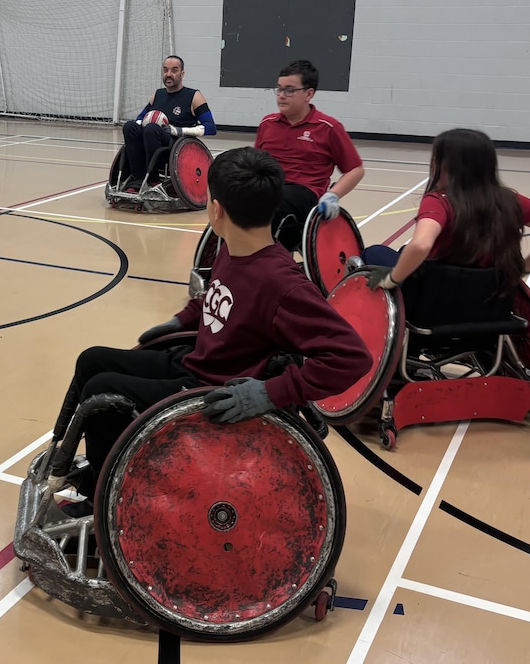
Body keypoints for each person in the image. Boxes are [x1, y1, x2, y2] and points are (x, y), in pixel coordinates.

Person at [49, 146, 372, 514]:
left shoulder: (284, 284)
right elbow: (214, 297)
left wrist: (271, 392)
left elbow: (353, 357)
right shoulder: (233, 248)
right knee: (92, 360)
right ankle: (94, 471)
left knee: (101, 390)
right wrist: (183, 319)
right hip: (197, 363)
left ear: (216, 210)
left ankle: (111, 507)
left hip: (214, 392)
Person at [361, 128, 530, 294]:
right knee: (402, 253)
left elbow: (421, 244)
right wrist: (525, 268)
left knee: (374, 253)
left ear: (444, 165)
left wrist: (393, 279)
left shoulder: (439, 201)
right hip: (490, 294)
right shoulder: (509, 199)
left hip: (437, 294)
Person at [254, 59, 366, 251]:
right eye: (279, 89)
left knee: (275, 202)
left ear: (309, 94)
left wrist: (333, 194)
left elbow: (355, 169)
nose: (281, 96)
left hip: (304, 192)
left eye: (289, 90)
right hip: (270, 185)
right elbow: (256, 163)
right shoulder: (268, 123)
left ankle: (262, 260)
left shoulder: (328, 127)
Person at [119, 55, 217, 193]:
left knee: (152, 129)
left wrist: (178, 131)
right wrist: (140, 124)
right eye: (165, 70)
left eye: (174, 70)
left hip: (175, 146)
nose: (168, 74)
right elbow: (139, 119)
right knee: (129, 126)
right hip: (150, 140)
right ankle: (139, 178)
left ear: (182, 74)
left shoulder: (194, 96)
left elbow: (211, 127)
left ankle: (153, 179)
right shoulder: (157, 95)